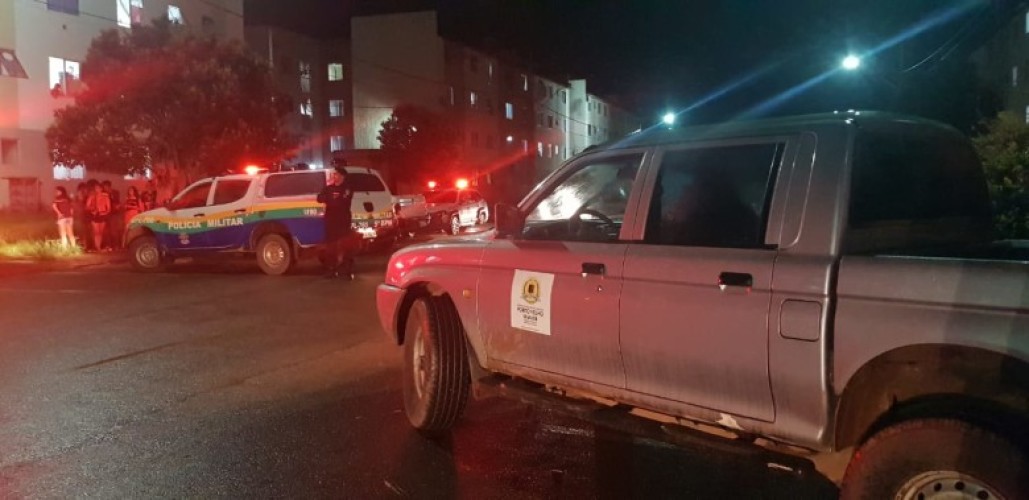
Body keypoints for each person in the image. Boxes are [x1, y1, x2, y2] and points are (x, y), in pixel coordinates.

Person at [317, 159, 355, 279]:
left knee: (346, 247)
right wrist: (330, 199)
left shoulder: (347, 189)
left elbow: (342, 202)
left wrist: (330, 200)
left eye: (336, 174)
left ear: (342, 176)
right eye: (334, 174)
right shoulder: (328, 188)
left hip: (343, 221)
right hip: (331, 221)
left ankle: (347, 271)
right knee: (331, 248)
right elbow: (319, 198)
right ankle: (331, 270)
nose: (334, 176)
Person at [86, 181, 112, 252]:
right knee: (96, 232)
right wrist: (92, 209)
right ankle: (97, 247)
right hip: (94, 215)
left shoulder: (105, 196)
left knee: (101, 232)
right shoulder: (92, 196)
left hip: (102, 215)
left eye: (98, 188)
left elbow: (109, 207)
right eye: (95, 188)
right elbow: (87, 206)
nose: (97, 189)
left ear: (101, 189)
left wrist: (104, 212)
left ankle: (99, 247)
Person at [102, 181, 122, 250]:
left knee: (114, 230)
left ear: (109, 186)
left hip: (114, 213)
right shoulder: (103, 194)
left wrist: (117, 206)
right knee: (106, 231)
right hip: (105, 214)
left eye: (106, 186)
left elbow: (117, 202)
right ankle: (109, 245)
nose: (105, 188)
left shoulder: (115, 192)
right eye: (104, 187)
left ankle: (116, 245)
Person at [73, 182, 92, 251]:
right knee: (81, 232)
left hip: (86, 217)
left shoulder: (88, 197)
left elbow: (88, 207)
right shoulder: (77, 198)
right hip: (79, 217)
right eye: (81, 189)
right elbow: (75, 207)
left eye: (84, 189)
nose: (83, 191)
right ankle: (82, 246)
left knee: (86, 232)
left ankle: (86, 246)